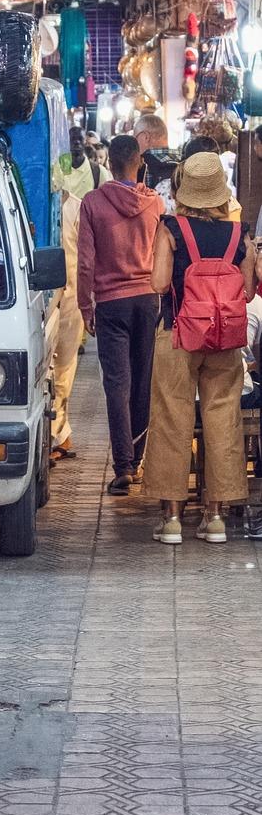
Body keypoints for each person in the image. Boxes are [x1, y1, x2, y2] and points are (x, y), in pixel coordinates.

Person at [143, 152, 256, 544]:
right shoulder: (239, 233)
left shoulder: (170, 227)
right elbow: (247, 289)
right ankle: (216, 517)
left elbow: (158, 283)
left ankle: (172, 518)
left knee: (171, 417)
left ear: (184, 192)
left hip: (177, 333)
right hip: (224, 339)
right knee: (223, 419)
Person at [78, 134, 164, 495]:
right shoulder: (156, 204)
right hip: (148, 299)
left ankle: (123, 466)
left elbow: (85, 263)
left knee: (117, 384)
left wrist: (86, 306)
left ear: (108, 164)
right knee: (143, 380)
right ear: (139, 163)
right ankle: (138, 459)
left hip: (111, 303)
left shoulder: (93, 203)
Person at [51, 193, 83, 461]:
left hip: (72, 297)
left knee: (63, 370)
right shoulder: (32, 203)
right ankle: (56, 433)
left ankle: (58, 432)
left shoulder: (76, 207)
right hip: (43, 296)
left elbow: (86, 255)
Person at [59, 127, 109, 200]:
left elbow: (105, 203)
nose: (77, 142)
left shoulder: (99, 172)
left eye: (80, 139)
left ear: (85, 141)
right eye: (73, 139)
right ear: (66, 141)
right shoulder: (57, 169)